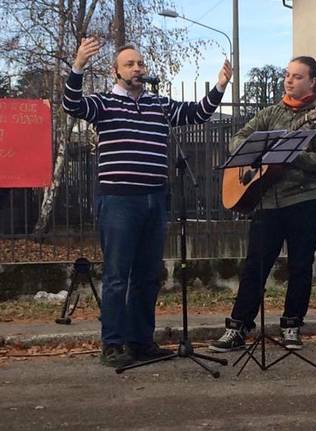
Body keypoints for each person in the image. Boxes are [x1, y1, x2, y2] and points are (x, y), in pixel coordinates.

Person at [63, 38, 232, 367]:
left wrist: (220, 85)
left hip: (155, 198)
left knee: (147, 275)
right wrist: (78, 65)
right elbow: (72, 104)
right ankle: (112, 344)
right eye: (130, 64)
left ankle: (141, 341)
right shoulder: (105, 104)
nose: (138, 68)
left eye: (140, 63)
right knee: (116, 275)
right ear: (116, 71)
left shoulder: (159, 105)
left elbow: (197, 114)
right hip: (119, 201)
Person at [209, 56, 316, 352]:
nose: (289, 80)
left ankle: (292, 325)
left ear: (312, 81)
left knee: (300, 266)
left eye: (296, 76)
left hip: (305, 200)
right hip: (267, 202)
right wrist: (261, 150)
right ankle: (238, 327)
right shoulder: (270, 114)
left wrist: (290, 155)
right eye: (287, 75)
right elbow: (236, 141)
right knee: (255, 266)